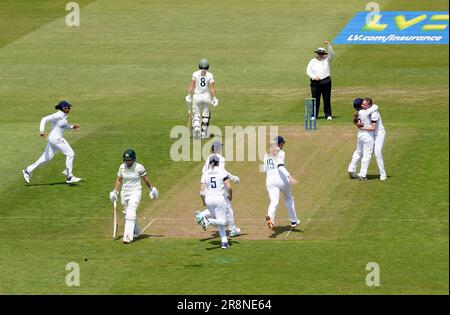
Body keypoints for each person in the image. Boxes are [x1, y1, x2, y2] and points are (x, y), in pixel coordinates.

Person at [22, 100, 81, 184]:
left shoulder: (64, 115)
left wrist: (72, 126)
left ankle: (27, 171)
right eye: (68, 107)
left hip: (53, 139)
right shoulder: (58, 115)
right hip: (56, 139)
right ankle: (69, 176)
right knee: (70, 154)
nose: (69, 109)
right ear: (63, 108)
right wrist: (42, 131)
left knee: (46, 158)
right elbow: (44, 119)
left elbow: (63, 125)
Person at [109, 149, 159, 244]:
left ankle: (128, 236)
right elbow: (119, 180)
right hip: (124, 192)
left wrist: (151, 189)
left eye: (129, 160)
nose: (128, 162)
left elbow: (145, 179)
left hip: (135, 192)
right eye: (126, 160)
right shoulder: (122, 167)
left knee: (131, 211)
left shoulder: (139, 167)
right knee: (126, 213)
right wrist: (115, 191)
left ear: (134, 159)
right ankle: (136, 231)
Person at [196, 141, 241, 237]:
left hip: (209, 186)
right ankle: (232, 230)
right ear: (218, 148)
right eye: (220, 147)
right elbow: (221, 171)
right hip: (220, 186)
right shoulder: (220, 158)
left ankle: (201, 216)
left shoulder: (209, 158)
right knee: (227, 207)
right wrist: (233, 177)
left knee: (215, 208)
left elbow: (203, 171)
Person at [263, 136, 300, 229]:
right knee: (289, 198)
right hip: (282, 180)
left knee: (274, 201)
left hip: (270, 181)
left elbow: (265, 169)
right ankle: (294, 220)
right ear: (279, 144)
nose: (283, 145)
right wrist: (290, 176)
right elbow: (280, 166)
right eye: (283, 143)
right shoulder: (281, 152)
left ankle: (270, 217)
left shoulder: (266, 154)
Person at [196, 155, 232, 249]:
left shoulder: (205, 173)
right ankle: (207, 221)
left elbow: (201, 191)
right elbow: (229, 187)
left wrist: (204, 201)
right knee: (224, 222)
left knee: (218, 218)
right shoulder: (222, 171)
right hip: (219, 199)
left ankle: (224, 242)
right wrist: (230, 196)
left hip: (209, 200)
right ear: (218, 163)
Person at [348, 98, 387, 181]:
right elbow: (375, 107)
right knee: (367, 154)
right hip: (369, 134)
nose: (363, 105)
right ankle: (362, 173)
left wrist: (361, 127)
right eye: (362, 104)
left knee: (376, 153)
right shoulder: (367, 111)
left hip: (378, 134)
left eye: (365, 104)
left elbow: (359, 123)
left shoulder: (362, 112)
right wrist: (362, 128)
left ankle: (382, 174)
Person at [185, 58, 218, 139]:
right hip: (206, 97)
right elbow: (212, 88)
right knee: (205, 116)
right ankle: (203, 133)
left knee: (196, 115)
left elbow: (192, 86)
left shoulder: (195, 74)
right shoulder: (210, 75)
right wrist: (214, 98)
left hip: (197, 96)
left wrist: (189, 95)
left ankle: (196, 129)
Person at [306, 40, 335, 121]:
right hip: (315, 82)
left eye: (322, 54)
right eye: (319, 53)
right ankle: (314, 115)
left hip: (326, 81)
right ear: (317, 53)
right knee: (315, 98)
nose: (321, 55)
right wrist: (314, 77)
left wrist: (328, 45)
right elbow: (308, 71)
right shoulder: (312, 61)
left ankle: (328, 115)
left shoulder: (327, 59)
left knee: (326, 98)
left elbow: (332, 54)